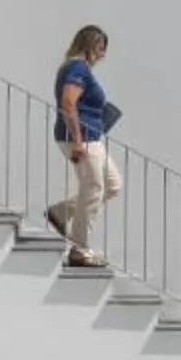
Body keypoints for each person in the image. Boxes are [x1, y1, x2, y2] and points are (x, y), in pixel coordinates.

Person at [47, 24, 122, 268]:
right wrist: (78, 141)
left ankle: (60, 212)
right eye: (100, 48)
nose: (103, 54)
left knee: (112, 185)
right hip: (82, 139)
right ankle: (80, 250)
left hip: (92, 137)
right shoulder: (78, 68)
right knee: (94, 190)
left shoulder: (78, 69)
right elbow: (68, 103)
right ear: (90, 46)